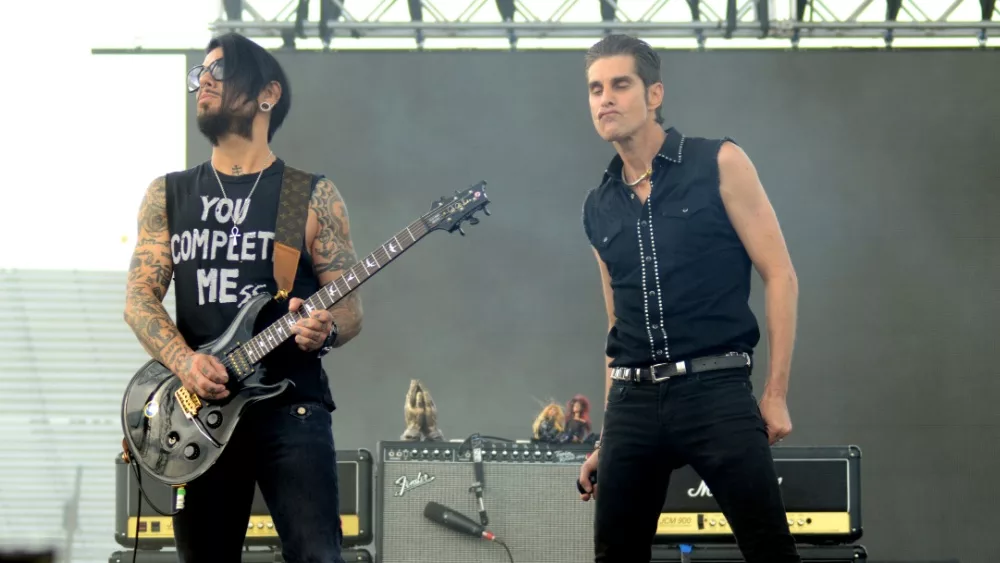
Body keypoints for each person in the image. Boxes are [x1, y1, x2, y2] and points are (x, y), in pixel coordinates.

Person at [123, 32, 363, 563]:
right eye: (199, 73)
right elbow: (139, 299)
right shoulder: (168, 194)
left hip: (292, 407)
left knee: (318, 558)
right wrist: (185, 363)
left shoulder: (310, 193)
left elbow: (348, 308)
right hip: (199, 418)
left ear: (267, 94)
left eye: (221, 70)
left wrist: (326, 327)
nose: (203, 80)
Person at [575, 34, 801, 563]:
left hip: (715, 390)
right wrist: (608, 438)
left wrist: (776, 392)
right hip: (632, 402)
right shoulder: (597, 206)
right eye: (594, 89)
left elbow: (782, 275)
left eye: (620, 85)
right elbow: (616, 328)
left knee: (770, 550)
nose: (604, 98)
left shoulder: (719, 161)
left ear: (654, 94)